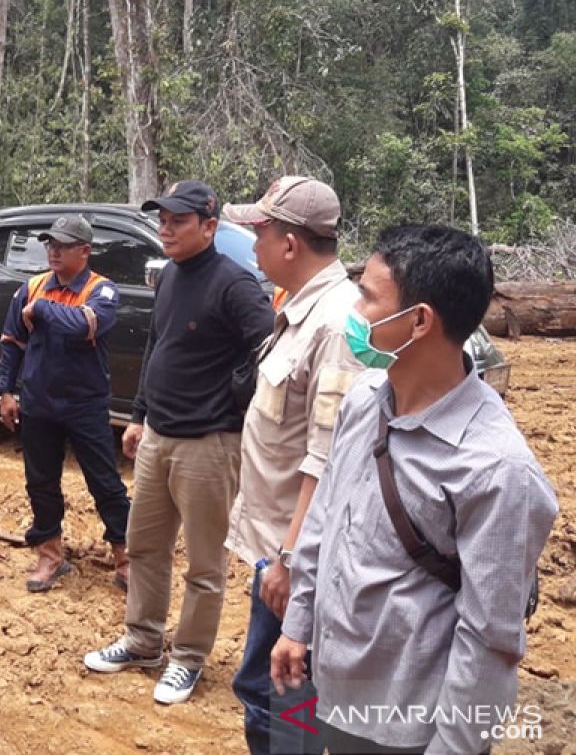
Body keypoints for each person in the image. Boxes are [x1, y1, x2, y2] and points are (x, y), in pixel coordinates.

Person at [270, 225, 559, 755]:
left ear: (419, 321)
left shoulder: (497, 469)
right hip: (335, 692)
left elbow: (489, 641)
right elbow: (327, 517)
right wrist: (298, 624)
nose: (353, 311)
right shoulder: (365, 399)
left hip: (407, 728)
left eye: (368, 297)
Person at [83, 180, 274, 705]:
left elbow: (270, 353)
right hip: (157, 438)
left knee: (205, 564)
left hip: (209, 446)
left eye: (178, 221)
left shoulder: (235, 285)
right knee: (145, 546)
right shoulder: (169, 276)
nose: (165, 228)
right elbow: (156, 347)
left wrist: (234, 405)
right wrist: (139, 416)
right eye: (162, 219)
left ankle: (188, 658)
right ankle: (143, 640)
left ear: (209, 226)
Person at [223, 177, 364, 755]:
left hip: (294, 557)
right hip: (276, 544)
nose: (252, 246)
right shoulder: (300, 308)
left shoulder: (335, 324)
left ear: (289, 244)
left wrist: (289, 560)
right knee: (278, 689)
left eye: (259, 233)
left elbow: (327, 459)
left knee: (279, 694)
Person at [0, 214, 132, 593]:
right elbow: (12, 342)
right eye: (50, 244)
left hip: (85, 404)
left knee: (105, 481)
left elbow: (84, 325)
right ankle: (50, 553)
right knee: (40, 482)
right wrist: (6, 391)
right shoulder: (33, 287)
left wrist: (41, 311)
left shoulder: (102, 290)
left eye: (62, 245)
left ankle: (125, 556)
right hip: (39, 403)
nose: (53, 251)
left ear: (84, 251)